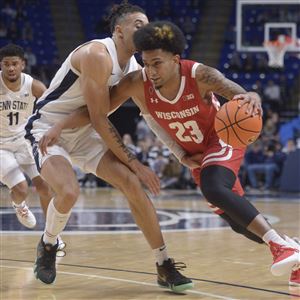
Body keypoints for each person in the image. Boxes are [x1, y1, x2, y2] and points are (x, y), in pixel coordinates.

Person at [41, 21, 300, 286]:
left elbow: (235, 91)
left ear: (176, 60)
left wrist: (252, 94)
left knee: (213, 187)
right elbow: (98, 111)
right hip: (195, 155)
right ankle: (294, 250)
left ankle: (281, 247)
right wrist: (61, 125)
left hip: (221, 139)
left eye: (157, 63)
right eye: (146, 63)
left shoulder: (199, 75)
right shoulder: (136, 83)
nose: (150, 71)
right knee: (238, 222)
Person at [25, 3, 193, 293]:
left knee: (131, 184)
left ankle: (163, 264)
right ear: (119, 31)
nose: (146, 29)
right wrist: (137, 164)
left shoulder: (136, 70)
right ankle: (49, 243)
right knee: (69, 191)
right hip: (48, 129)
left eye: (148, 24)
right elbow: (100, 119)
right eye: (138, 25)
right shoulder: (97, 55)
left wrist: (180, 153)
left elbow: (150, 117)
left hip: (82, 130)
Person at [0, 44, 66, 250]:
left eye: (15, 64)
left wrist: (52, 131)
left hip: (24, 142)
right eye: (6, 64)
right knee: (21, 189)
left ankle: (51, 236)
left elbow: (51, 108)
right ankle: (19, 205)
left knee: (45, 187)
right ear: (1, 65)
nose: (11, 68)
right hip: (1, 146)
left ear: (23, 64)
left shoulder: (33, 85)